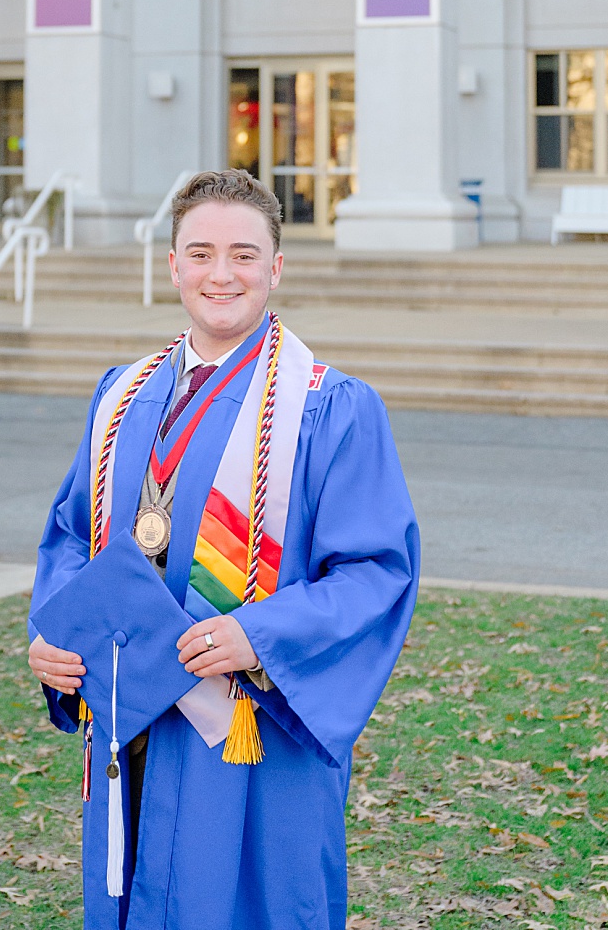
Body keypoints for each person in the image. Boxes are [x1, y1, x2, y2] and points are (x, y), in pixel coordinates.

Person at [27, 169, 419, 929]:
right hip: (135, 713)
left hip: (252, 726)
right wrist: (54, 634)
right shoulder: (121, 395)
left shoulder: (329, 408)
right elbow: (72, 535)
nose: (221, 274)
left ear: (277, 267)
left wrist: (259, 634)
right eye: (200, 253)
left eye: (244, 255)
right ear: (172, 266)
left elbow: (376, 573)